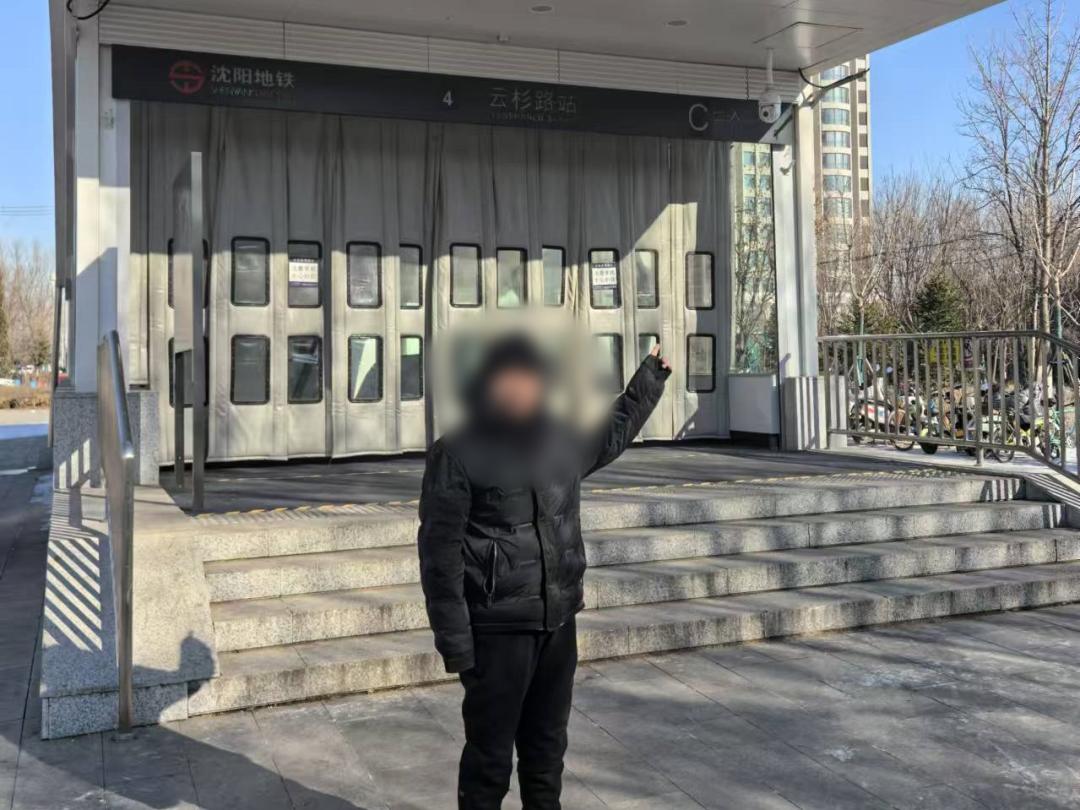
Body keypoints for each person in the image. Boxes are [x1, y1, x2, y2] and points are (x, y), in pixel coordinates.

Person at [417, 334, 671, 810]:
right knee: (489, 763)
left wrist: (649, 379)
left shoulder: (558, 438)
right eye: (510, 379)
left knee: (546, 755)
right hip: (497, 633)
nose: (521, 389)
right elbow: (439, 555)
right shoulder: (457, 453)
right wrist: (456, 644)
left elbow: (611, 433)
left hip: (557, 625)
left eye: (529, 378)